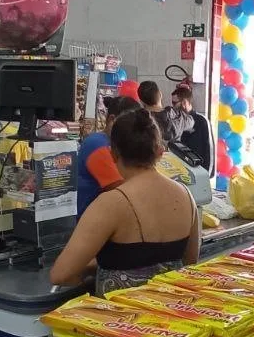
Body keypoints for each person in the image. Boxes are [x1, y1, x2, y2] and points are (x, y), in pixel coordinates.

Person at [51, 109, 200, 295]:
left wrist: (96, 270)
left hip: (121, 312)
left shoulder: (111, 203)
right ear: (159, 151)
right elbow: (190, 261)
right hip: (169, 308)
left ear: (113, 154)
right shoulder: (186, 196)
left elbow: (61, 275)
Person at [76, 96, 138, 216]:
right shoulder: (97, 145)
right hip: (94, 219)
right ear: (112, 120)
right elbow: (123, 191)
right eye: (130, 126)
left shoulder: (114, 144)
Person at [172, 85, 214, 173]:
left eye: (174, 103)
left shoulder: (201, 121)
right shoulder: (174, 121)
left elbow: (209, 151)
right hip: (179, 170)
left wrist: (206, 174)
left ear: (184, 102)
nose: (173, 106)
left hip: (198, 170)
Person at [138, 80, 192, 145]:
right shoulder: (178, 117)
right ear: (160, 94)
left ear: (141, 102)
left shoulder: (138, 122)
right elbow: (191, 122)